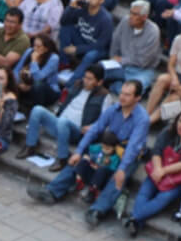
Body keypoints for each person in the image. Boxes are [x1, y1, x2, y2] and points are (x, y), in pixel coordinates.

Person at [28, 81, 150, 225]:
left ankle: (97, 210)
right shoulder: (113, 109)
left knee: (119, 177)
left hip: (127, 153)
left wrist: (122, 169)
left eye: (128, 95)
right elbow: (96, 129)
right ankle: (52, 191)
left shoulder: (142, 119)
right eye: (122, 93)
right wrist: (79, 151)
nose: (122, 97)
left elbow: (133, 147)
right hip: (108, 145)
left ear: (137, 98)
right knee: (79, 159)